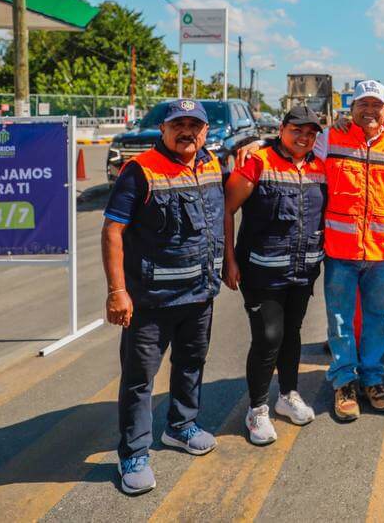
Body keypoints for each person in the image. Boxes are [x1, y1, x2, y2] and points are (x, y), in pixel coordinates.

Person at [101, 99, 222, 496]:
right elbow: (113, 231)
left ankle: (181, 426)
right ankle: (134, 453)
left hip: (199, 294)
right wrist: (118, 292)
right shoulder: (140, 171)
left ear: (205, 131)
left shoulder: (211, 163)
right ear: (164, 129)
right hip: (150, 300)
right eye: (178, 124)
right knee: (139, 380)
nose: (187, 131)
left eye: (195, 125)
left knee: (191, 363)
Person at [221, 105, 326, 446]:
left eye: (310, 133)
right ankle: (257, 409)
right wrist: (229, 260)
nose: (304, 137)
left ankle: (288, 394)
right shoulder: (258, 162)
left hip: (302, 270)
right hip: (261, 272)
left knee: (292, 334)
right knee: (268, 337)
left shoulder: (318, 168)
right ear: (281, 129)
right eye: (297, 130)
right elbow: (228, 208)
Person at [318, 80, 384, 419]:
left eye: (376, 105)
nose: (369, 111)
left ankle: (372, 378)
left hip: (381, 252)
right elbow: (294, 151)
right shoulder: (330, 139)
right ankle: (344, 381)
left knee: (377, 319)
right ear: (352, 108)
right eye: (363, 104)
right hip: (340, 249)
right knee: (340, 320)